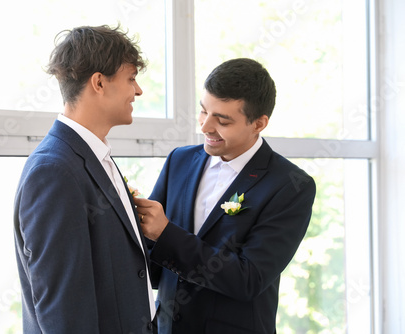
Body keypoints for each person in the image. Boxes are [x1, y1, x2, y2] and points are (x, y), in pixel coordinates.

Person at [134, 58, 316, 334]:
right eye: (203, 112)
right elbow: (151, 256)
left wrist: (166, 232)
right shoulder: (179, 161)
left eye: (222, 120)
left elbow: (248, 279)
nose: (205, 127)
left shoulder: (290, 185)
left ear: (259, 123)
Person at [13, 25, 156, 334]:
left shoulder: (92, 155)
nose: (138, 90)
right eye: (131, 79)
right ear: (99, 83)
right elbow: (64, 313)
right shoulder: (53, 172)